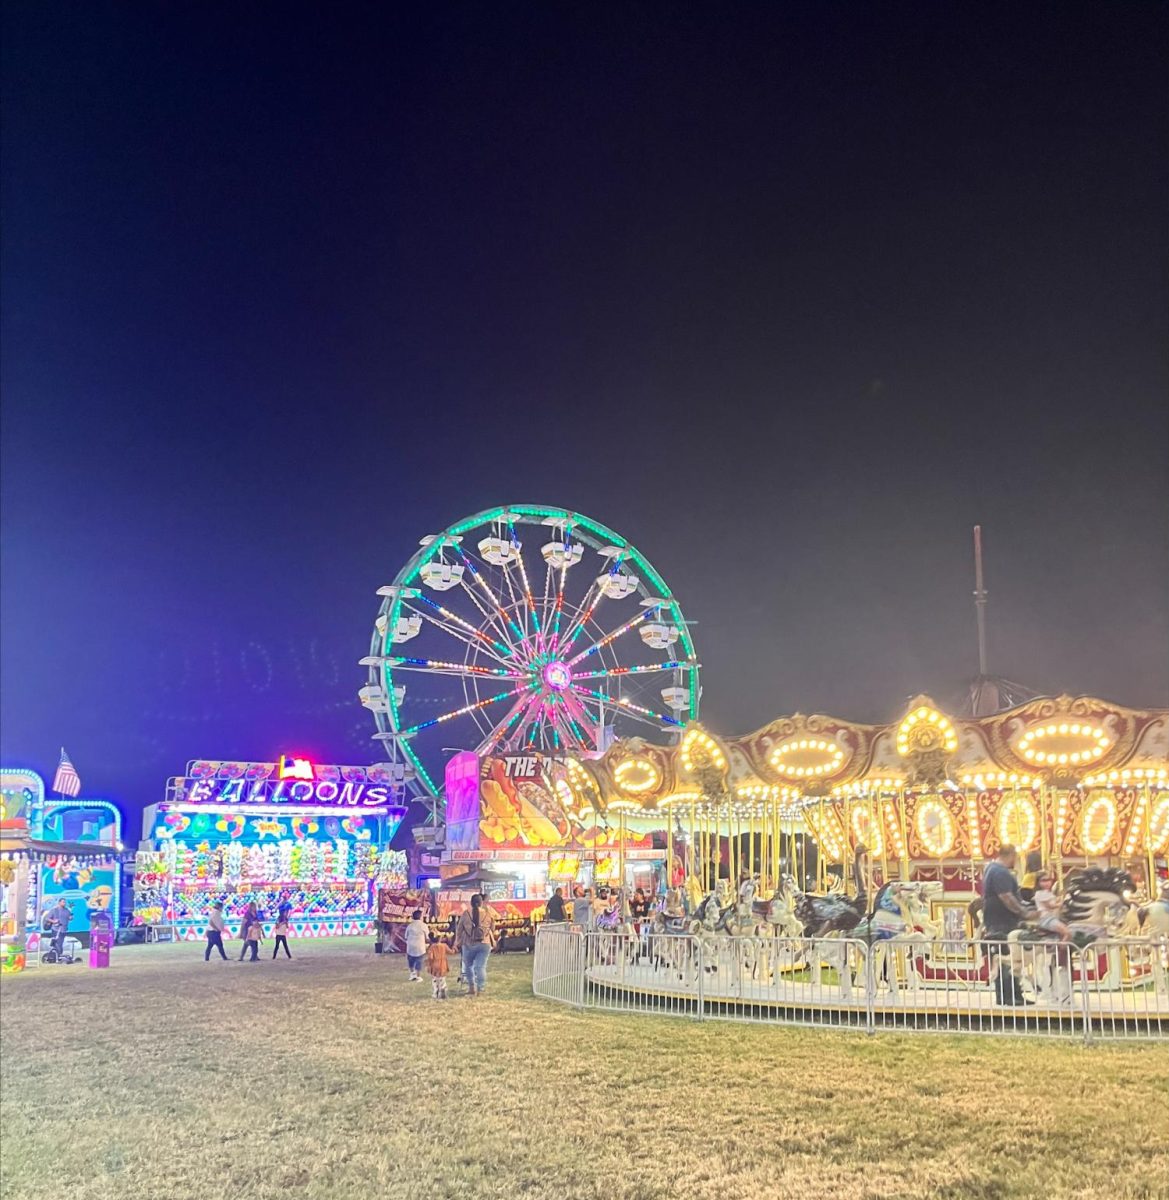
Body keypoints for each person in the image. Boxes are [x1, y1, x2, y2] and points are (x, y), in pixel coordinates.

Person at [982, 845, 1034, 1004]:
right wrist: (1023, 912)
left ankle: (1013, 994)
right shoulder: (1000, 872)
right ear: (1011, 855)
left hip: (997, 918)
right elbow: (1006, 897)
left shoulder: (991, 868)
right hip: (1003, 920)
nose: (1015, 861)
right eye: (1015, 857)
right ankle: (1007, 995)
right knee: (1008, 955)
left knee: (1010, 954)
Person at [454, 893, 496, 996]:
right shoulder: (488, 913)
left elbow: (459, 929)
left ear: (471, 903)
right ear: (481, 903)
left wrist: (457, 942)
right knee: (481, 967)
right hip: (485, 943)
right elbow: (493, 928)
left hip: (468, 943)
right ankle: (480, 990)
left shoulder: (466, 914)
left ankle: (472, 988)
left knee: (468, 966)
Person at [1033, 870, 1071, 941]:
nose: (1047, 883)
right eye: (1043, 881)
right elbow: (1051, 906)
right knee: (1067, 933)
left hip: (1053, 918)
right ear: (1038, 882)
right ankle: (1062, 950)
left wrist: (1060, 897)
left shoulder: (1048, 893)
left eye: (1048, 880)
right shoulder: (1040, 893)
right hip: (1047, 919)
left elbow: (1055, 901)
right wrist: (1063, 902)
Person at [405, 908, 428, 981]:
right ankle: (418, 976)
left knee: (411, 960)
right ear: (420, 917)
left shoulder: (410, 926)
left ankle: (412, 974)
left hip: (410, 946)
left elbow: (405, 936)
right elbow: (427, 936)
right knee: (419, 960)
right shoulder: (423, 925)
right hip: (420, 946)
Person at [426, 932, 450, 999]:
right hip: (443, 964)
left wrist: (429, 964)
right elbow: (451, 952)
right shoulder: (444, 946)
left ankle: (435, 992)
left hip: (434, 965)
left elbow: (431, 957)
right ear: (439, 939)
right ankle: (443, 990)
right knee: (442, 979)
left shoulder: (432, 947)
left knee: (435, 979)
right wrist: (455, 947)